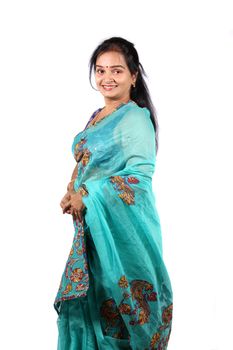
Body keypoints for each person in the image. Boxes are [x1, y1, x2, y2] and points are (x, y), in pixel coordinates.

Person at [54, 37, 173, 350]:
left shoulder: (135, 119)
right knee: (93, 308)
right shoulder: (97, 116)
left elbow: (138, 178)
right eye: (100, 70)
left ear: (133, 76)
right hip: (93, 232)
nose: (107, 78)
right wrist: (71, 190)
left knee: (121, 311)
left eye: (117, 71)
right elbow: (87, 162)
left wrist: (88, 194)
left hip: (124, 234)